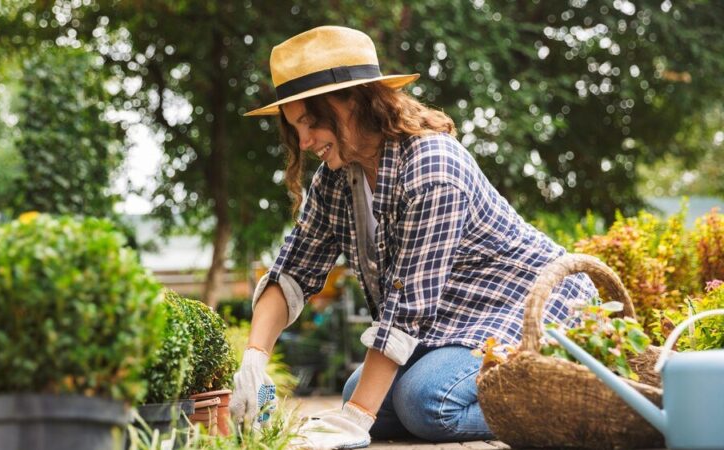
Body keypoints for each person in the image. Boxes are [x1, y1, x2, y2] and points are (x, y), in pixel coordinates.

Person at [230, 26, 597, 449]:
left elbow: (407, 308)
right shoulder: (335, 180)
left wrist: (353, 423)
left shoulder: (432, 168)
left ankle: (567, 404)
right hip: (451, 326)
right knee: (360, 394)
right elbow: (293, 271)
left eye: (311, 123)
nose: (305, 141)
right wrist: (254, 359)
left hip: (529, 307)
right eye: (295, 129)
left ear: (353, 101)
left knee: (427, 401)